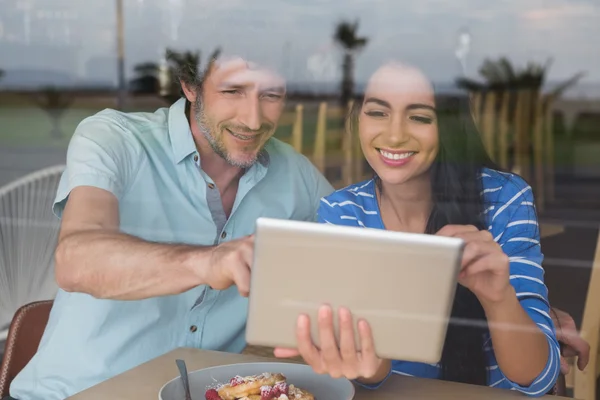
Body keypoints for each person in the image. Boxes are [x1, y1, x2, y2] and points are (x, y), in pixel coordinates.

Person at [7, 55, 334, 400]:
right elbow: (76, 261)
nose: (253, 120)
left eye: (270, 95)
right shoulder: (114, 138)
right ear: (190, 86)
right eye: (232, 91)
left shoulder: (298, 177)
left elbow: (359, 274)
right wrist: (207, 262)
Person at [273, 61, 563, 396]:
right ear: (357, 117)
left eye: (420, 117)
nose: (395, 135)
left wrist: (500, 301)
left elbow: (538, 378)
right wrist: (366, 363)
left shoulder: (504, 200)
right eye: (377, 113)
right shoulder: (342, 211)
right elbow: (372, 376)